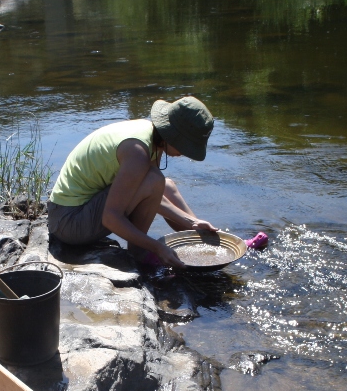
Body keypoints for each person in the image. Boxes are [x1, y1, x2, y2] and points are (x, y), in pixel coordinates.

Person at [46, 96, 218, 268]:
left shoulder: (151, 134)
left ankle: (203, 239)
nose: (186, 153)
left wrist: (190, 221)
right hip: (68, 222)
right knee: (156, 181)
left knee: (167, 186)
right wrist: (158, 247)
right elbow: (111, 218)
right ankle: (139, 254)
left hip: (76, 212)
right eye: (186, 146)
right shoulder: (138, 153)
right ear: (172, 137)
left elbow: (152, 195)